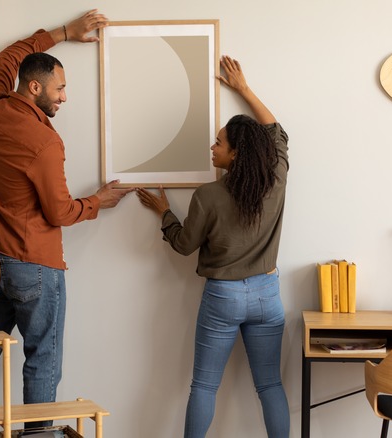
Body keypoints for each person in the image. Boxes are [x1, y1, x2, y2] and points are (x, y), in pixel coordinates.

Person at [0, 9, 132, 437]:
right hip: (35, 267)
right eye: (60, 88)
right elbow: (59, 212)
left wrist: (62, 33)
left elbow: (10, 55)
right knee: (42, 358)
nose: (64, 97)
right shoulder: (45, 142)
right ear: (35, 87)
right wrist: (98, 200)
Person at [136, 55, 290, 438]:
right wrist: (243, 89)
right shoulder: (277, 178)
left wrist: (164, 213)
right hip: (267, 293)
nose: (212, 146)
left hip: (223, 296)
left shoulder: (207, 196)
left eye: (219, 142)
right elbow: (277, 133)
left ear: (235, 153)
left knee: (204, 386)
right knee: (270, 385)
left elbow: (185, 245)